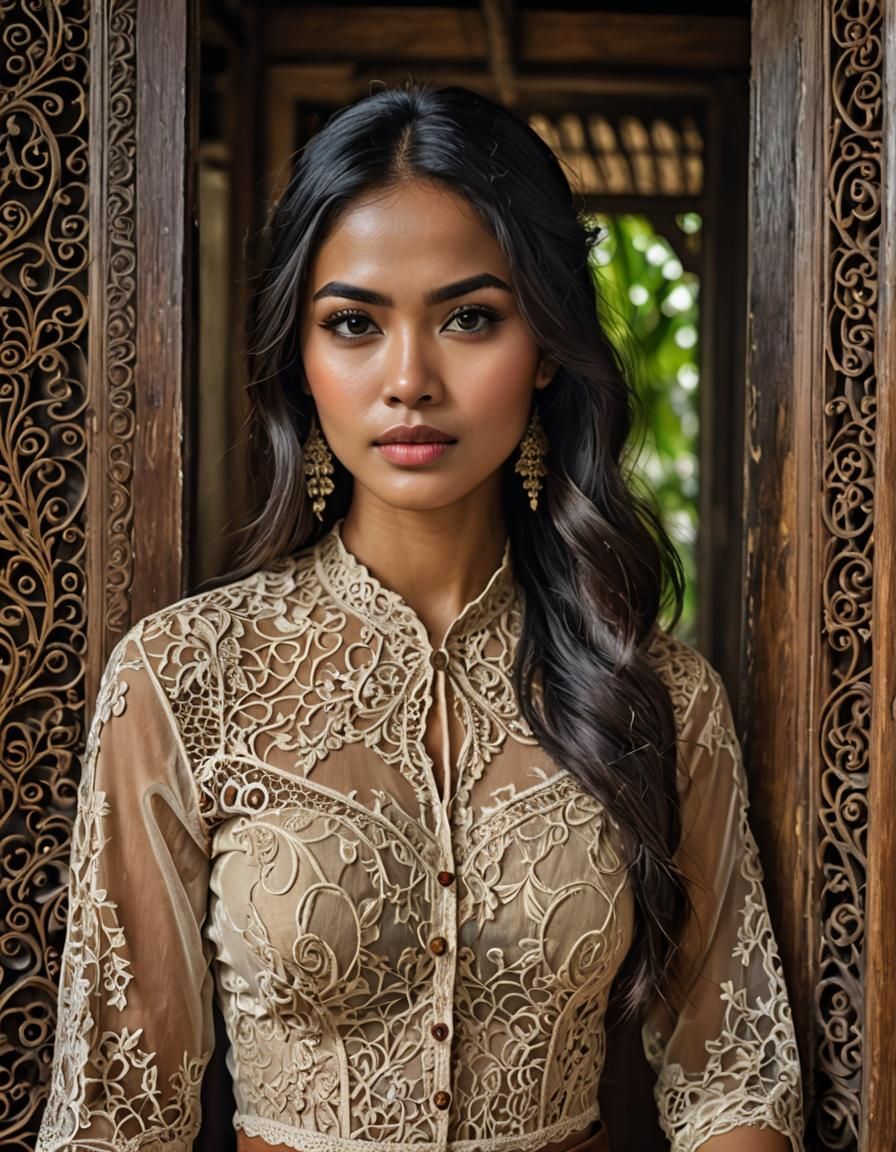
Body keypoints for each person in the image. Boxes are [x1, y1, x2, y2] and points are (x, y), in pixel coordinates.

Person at [36, 85, 804, 1152]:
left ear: (546, 346)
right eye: (353, 324)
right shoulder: (182, 678)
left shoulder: (660, 696)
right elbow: (120, 1116)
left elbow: (734, 1081)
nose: (409, 380)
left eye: (469, 318)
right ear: (300, 359)